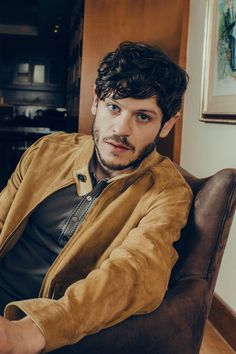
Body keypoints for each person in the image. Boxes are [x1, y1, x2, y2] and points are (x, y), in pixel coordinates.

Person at [0, 42, 192, 354]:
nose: (121, 129)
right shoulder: (48, 151)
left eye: (142, 116)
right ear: (95, 102)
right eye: (114, 107)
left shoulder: (168, 192)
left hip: (47, 328)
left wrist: (31, 330)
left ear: (167, 124)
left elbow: (136, 272)